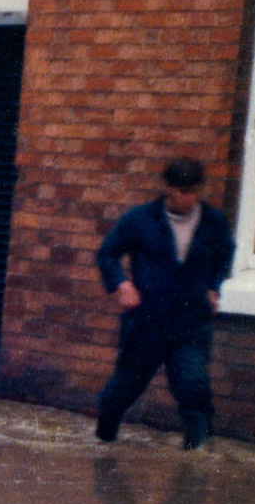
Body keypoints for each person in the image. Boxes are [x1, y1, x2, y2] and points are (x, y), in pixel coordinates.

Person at [94, 157, 235, 449]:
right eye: (182, 191)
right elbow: (107, 253)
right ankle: (102, 442)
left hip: (191, 322)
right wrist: (122, 284)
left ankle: (198, 460)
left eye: (194, 191)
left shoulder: (213, 222)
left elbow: (224, 256)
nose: (188, 198)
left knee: (193, 386)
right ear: (167, 188)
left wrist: (213, 286)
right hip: (147, 321)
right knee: (124, 389)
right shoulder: (141, 219)